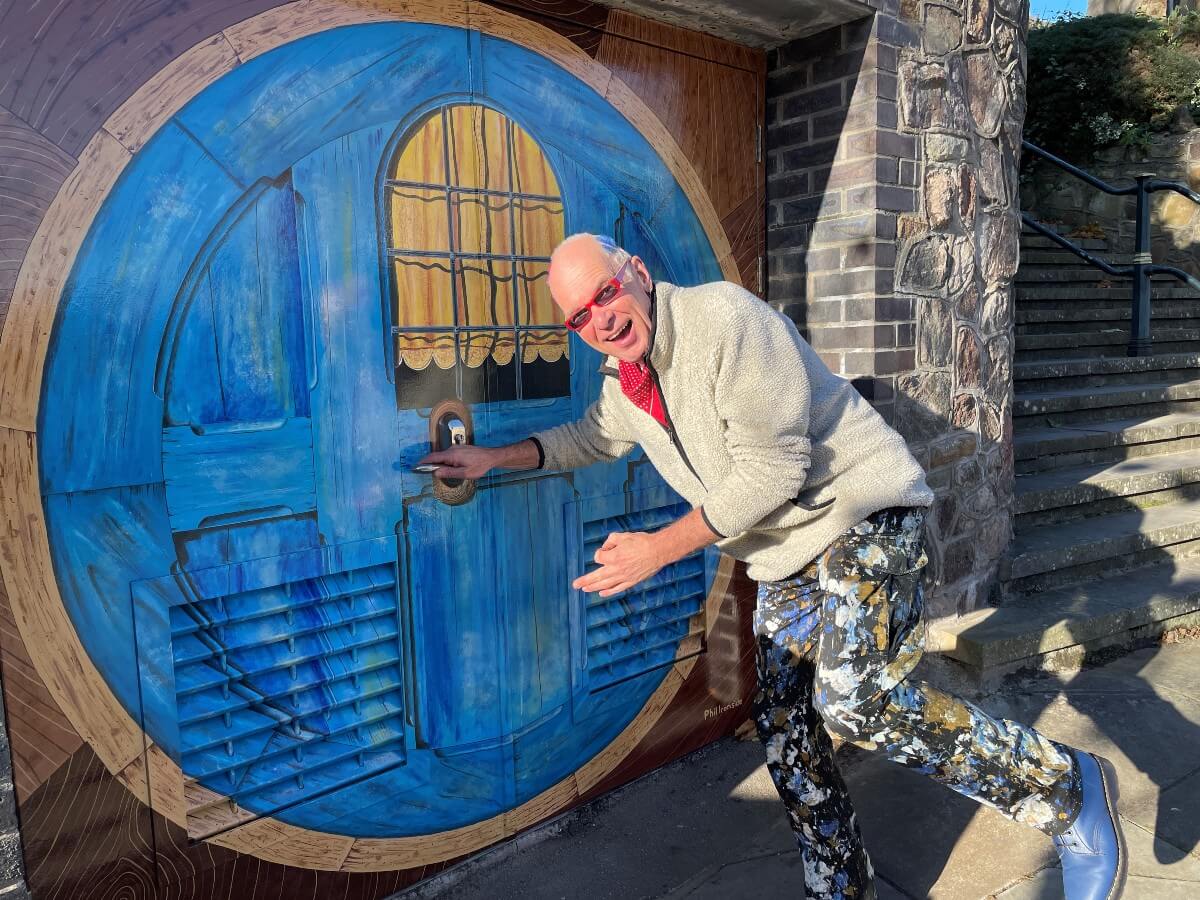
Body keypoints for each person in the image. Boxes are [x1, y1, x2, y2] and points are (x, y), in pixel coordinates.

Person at [418, 233, 1126, 900]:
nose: (600, 320)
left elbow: (774, 471)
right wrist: (493, 458)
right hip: (788, 553)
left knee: (857, 698)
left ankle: (1070, 790)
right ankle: (839, 886)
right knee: (786, 727)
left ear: (634, 268)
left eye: (604, 294)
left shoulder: (724, 320)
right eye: (579, 318)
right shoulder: (629, 379)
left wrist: (657, 548)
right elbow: (592, 436)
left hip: (861, 514)